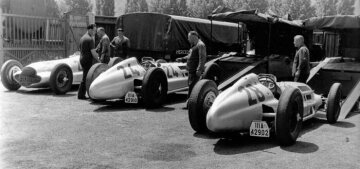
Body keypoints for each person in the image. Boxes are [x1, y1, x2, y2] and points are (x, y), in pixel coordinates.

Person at [176, 31, 206, 99]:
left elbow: (202, 58)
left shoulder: (200, 45)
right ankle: (189, 103)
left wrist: (199, 69)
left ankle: (190, 103)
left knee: (193, 88)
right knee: (191, 87)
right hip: (191, 70)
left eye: (189, 37)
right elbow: (190, 56)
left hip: (195, 71)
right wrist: (182, 59)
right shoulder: (194, 46)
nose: (188, 39)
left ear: (193, 37)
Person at [78, 24, 100, 100]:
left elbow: (80, 50)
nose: (95, 32)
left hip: (82, 59)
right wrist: (99, 59)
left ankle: (81, 94)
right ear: (90, 30)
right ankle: (81, 95)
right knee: (86, 78)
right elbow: (93, 53)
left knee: (84, 77)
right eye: (94, 30)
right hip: (87, 60)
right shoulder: (90, 39)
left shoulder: (82, 38)